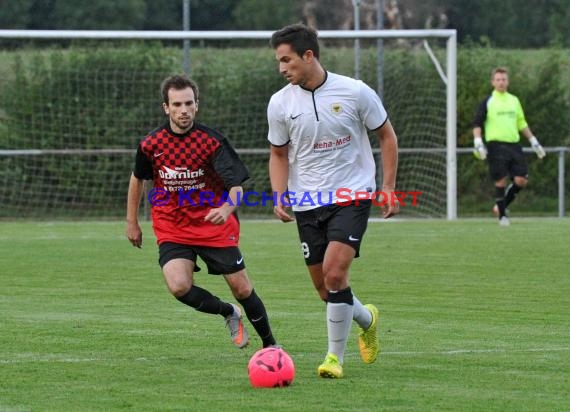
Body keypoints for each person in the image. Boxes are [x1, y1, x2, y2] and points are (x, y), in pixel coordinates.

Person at [267, 24, 400, 379]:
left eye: (287, 60)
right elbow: (278, 153)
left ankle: (333, 359)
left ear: (308, 55)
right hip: (307, 202)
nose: (282, 68)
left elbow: (387, 136)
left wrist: (387, 185)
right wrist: (280, 193)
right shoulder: (280, 103)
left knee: (336, 273)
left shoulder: (355, 92)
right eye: (279, 61)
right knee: (327, 290)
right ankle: (367, 318)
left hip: (351, 195)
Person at [126, 74, 278, 350]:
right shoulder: (151, 144)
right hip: (172, 225)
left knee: (243, 288)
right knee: (179, 286)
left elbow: (236, 187)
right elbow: (138, 177)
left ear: (197, 105)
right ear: (166, 108)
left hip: (213, 224)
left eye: (188, 103)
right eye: (177, 105)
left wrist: (226, 207)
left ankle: (271, 346)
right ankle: (228, 312)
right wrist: (132, 222)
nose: (183, 110)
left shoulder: (211, 142)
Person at [472, 67, 545, 226]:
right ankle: (502, 216)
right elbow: (477, 123)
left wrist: (533, 140)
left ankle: (501, 205)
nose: (501, 82)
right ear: (493, 82)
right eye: (498, 79)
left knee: (521, 180)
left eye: (503, 79)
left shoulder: (514, 100)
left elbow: (521, 122)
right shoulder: (487, 101)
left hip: (514, 145)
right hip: (496, 145)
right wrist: (478, 141)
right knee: (500, 180)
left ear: (508, 82)